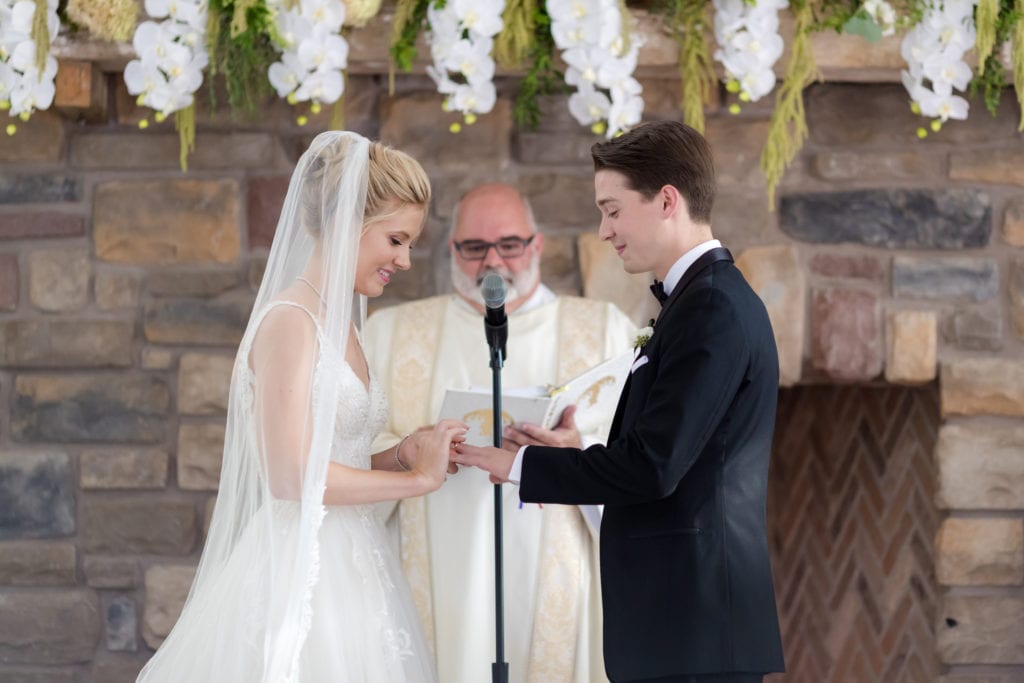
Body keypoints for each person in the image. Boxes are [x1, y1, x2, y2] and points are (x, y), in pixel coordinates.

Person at [455, 121, 786, 683]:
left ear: (666, 201)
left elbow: (653, 467)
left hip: (695, 627)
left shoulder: (712, 308)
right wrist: (573, 448)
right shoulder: (698, 301)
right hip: (684, 626)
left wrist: (518, 465)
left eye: (612, 209)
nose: (604, 230)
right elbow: (670, 454)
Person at [137, 131, 466, 683]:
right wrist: (417, 483)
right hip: (303, 576)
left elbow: (333, 454)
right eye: (395, 239)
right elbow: (291, 476)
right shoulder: (291, 321)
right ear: (346, 225)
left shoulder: (343, 323)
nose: (406, 260)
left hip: (358, 565)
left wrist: (401, 456)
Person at [362, 182, 636, 683]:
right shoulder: (390, 334)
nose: (493, 261)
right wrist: (408, 451)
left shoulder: (604, 331)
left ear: (537, 245)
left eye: (510, 244)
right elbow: (351, 456)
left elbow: (638, 462)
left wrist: (577, 454)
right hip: (438, 576)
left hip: (559, 571)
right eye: (474, 248)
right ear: (452, 250)